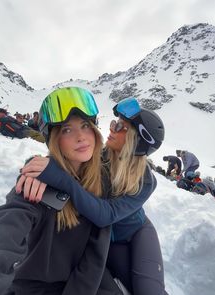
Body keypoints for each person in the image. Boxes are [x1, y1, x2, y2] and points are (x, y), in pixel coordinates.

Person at [18, 96, 168, 294]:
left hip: (137, 232)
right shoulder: (98, 156)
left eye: (121, 126)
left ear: (136, 140)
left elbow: (105, 215)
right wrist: (36, 168)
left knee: (149, 290)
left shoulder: (146, 181)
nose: (112, 128)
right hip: (106, 239)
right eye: (114, 122)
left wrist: (61, 180)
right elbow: (63, 160)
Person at [0, 87, 123, 295]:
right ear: (54, 139)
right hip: (35, 286)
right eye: (67, 129)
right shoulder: (35, 182)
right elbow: (7, 229)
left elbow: (95, 252)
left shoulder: (102, 180)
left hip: (86, 282)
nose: (81, 137)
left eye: (85, 125)